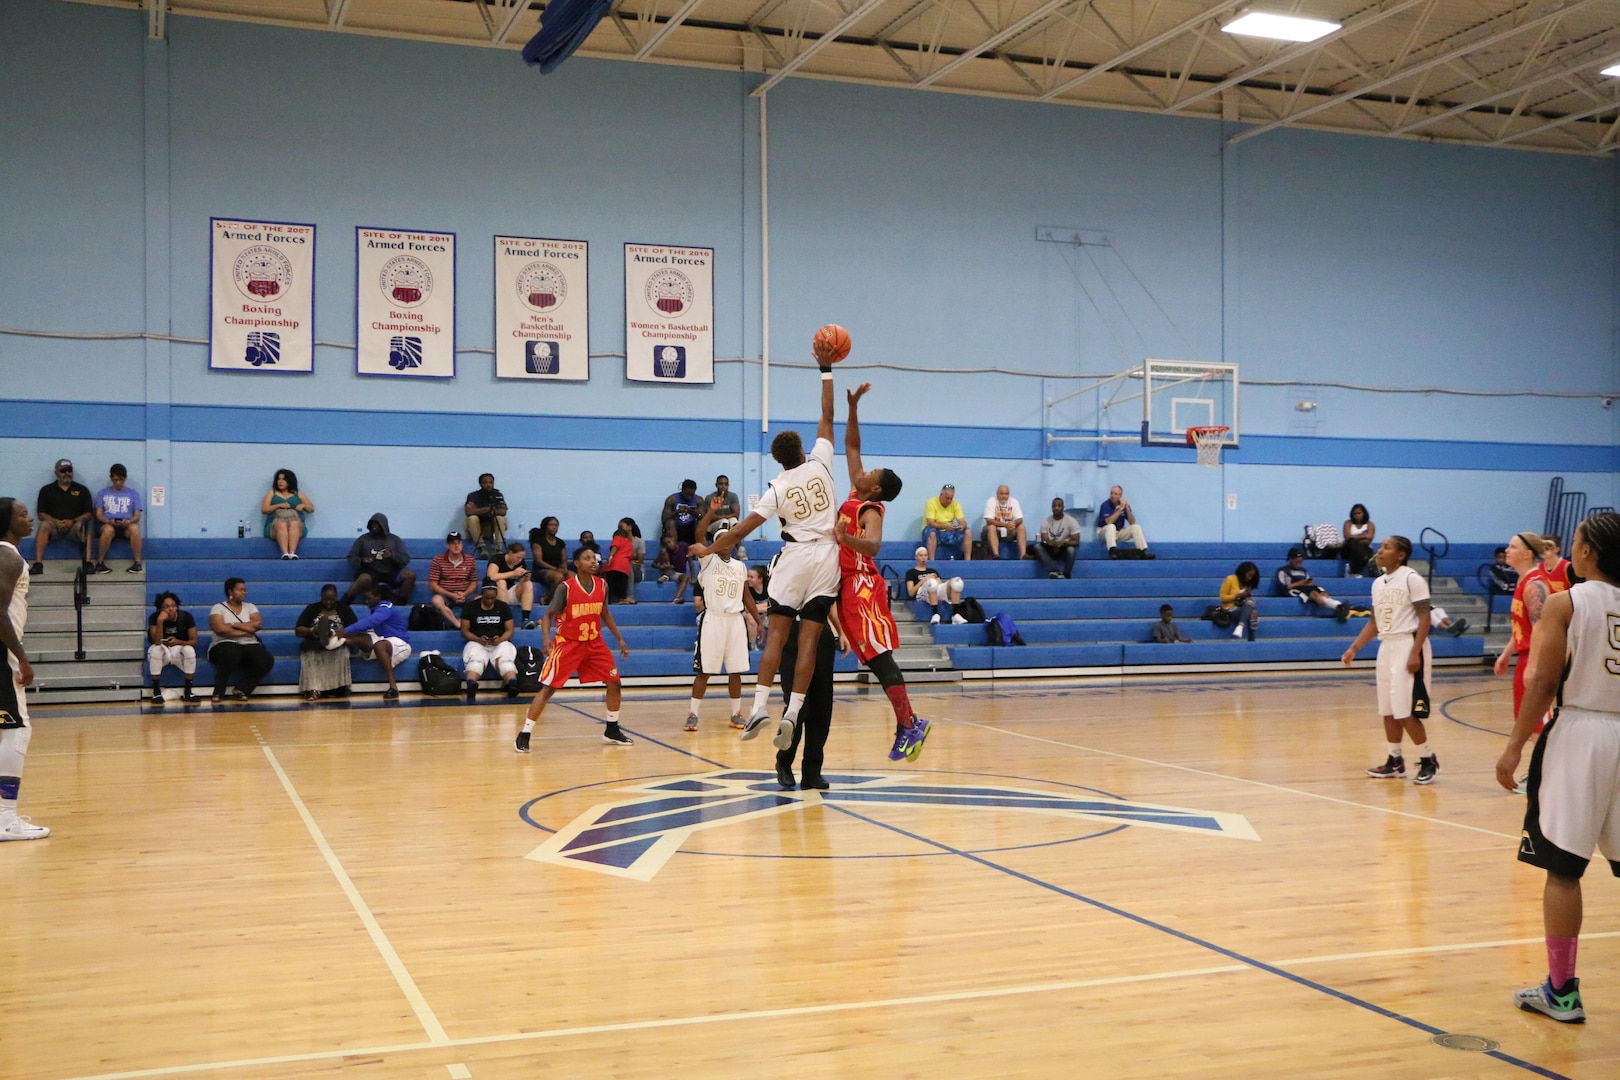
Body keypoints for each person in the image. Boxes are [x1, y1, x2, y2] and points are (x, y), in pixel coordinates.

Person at [1494, 513, 1620, 1025]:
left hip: (1581, 735)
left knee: (1564, 869)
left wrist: (1513, 747)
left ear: (1588, 554)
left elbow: (1544, 681)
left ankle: (1562, 992)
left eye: (1575, 543)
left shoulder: (1568, 603)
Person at [709, 362, 840, 751]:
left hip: (796, 558)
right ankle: (793, 711)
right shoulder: (821, 462)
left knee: (778, 636)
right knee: (811, 641)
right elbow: (828, 415)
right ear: (802, 451)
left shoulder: (777, 487)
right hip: (828, 558)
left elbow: (740, 531)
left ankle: (760, 707)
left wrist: (707, 547)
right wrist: (826, 369)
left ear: (777, 461)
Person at [834, 383, 930, 761]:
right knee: (871, 658)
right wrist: (854, 407)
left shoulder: (869, 510)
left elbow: (873, 547)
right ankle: (908, 722)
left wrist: (845, 538)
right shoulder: (858, 492)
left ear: (873, 487)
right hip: (845, 584)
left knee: (878, 658)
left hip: (861, 585)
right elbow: (852, 447)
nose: (863, 467)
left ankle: (909, 723)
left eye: (870, 471)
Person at [1341, 536, 1439, 785]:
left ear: (1401, 554)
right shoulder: (1377, 584)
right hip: (1387, 646)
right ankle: (1395, 760)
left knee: (1405, 710)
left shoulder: (1412, 578)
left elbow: (1425, 617)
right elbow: (1374, 622)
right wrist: (1354, 648)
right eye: (1381, 546)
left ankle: (1428, 759)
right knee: (1387, 709)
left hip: (1408, 643)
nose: (1379, 550)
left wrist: (1415, 651)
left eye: (1386, 547)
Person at [514, 548, 632, 752]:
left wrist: (619, 638)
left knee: (614, 682)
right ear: (576, 564)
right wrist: (546, 639)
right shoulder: (566, 588)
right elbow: (549, 615)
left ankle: (612, 728)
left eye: (594, 559)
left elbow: (604, 613)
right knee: (548, 688)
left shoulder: (602, 585)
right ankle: (525, 733)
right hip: (569, 643)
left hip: (594, 642)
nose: (593, 562)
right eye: (587, 559)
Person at [684, 499, 761, 731]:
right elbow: (699, 533)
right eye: (722, 539)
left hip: (735, 621)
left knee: (736, 670)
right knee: (704, 671)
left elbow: (746, 596)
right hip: (713, 619)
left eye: (731, 539)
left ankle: (736, 713)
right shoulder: (708, 559)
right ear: (716, 543)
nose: (727, 543)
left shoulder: (740, 567)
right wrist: (712, 512)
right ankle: (693, 714)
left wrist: (757, 620)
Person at [0, 497, 49, 840]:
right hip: (3, 656)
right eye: (22, 514)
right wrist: (22, 656)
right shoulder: (7, 555)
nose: (29, 518)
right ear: (7, 521)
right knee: (16, 731)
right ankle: (5, 818)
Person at [1494, 533, 1565, 719]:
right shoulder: (1522, 580)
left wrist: (1533, 666)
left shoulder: (1535, 584)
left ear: (1527, 554)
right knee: (1526, 722)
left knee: (1538, 723)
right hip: (1525, 655)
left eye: (1513, 547)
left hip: (1537, 658)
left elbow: (1540, 627)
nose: (1507, 550)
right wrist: (1507, 653)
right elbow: (1522, 624)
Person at [774, 613, 837, 791]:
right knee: (798, 707)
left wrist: (841, 632)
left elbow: (830, 604)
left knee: (822, 706)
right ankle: (784, 762)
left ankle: (812, 771)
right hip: (792, 631)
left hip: (821, 633)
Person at [208, 577, 274, 702]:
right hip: (222, 643)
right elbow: (220, 629)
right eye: (240, 590)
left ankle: (242, 689)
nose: (244, 592)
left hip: (249, 643)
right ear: (230, 592)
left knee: (266, 659)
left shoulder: (250, 607)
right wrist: (246, 628)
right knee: (231, 651)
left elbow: (257, 625)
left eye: (245, 590)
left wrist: (234, 624)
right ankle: (219, 691)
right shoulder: (218, 608)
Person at [343, 584, 411, 700]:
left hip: (400, 643)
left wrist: (345, 631)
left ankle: (393, 687)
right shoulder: (376, 609)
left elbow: (370, 622)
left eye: (369, 598)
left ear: (378, 597)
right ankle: (335, 640)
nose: (366, 601)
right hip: (384, 639)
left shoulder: (385, 607)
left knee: (379, 645)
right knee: (358, 638)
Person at [294, 584, 358, 701]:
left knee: (341, 650)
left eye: (331, 600)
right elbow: (298, 630)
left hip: (338, 642)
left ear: (336, 597)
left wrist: (341, 633)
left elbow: (354, 628)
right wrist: (313, 630)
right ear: (321, 597)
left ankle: (337, 687)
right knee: (311, 653)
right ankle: (313, 689)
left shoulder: (344, 609)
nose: (328, 602)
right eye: (325, 599)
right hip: (314, 641)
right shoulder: (312, 609)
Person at [31, 458, 93, 574]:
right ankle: (38, 564)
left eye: (69, 470)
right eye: (63, 471)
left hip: (74, 528)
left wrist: (72, 521)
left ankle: (87, 563)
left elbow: (88, 513)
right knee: (44, 525)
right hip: (54, 528)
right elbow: (41, 514)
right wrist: (55, 522)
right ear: (56, 473)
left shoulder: (82, 490)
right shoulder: (46, 490)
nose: (67, 473)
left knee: (84, 526)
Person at [460, 582, 519, 697]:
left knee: (505, 662)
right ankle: (471, 684)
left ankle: (512, 684)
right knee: (476, 661)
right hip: (477, 641)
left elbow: (510, 630)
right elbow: (464, 630)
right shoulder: (470, 607)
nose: (490, 601)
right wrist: (478, 639)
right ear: (482, 595)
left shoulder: (503, 607)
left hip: (499, 642)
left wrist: (500, 639)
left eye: (493, 598)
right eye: (487, 598)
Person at [344, 514, 414, 604]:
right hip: (371, 571)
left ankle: (400, 603)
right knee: (363, 578)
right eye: (372, 524)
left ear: (383, 525)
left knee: (410, 575)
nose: (374, 527)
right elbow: (351, 557)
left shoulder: (395, 540)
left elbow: (405, 559)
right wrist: (361, 561)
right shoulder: (363, 539)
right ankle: (345, 602)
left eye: (377, 524)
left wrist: (392, 555)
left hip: (391, 571)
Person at [146, 591, 199, 705]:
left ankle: (188, 691)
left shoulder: (185, 617)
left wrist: (178, 642)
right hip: (162, 649)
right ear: (160, 609)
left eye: (173, 606)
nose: (171, 609)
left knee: (189, 650)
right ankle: (156, 692)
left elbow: (194, 641)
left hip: (178, 649)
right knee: (156, 650)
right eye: (166, 607)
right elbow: (156, 641)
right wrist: (160, 621)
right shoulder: (155, 617)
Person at [93, 463, 144, 574]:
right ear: (111, 478)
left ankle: (138, 562)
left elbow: (137, 515)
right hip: (108, 523)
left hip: (126, 524)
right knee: (108, 530)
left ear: (125, 478)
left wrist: (129, 521)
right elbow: (98, 514)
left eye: (121, 480)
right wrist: (108, 521)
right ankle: (100, 562)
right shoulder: (103, 493)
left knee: (135, 529)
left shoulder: (133, 493)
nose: (118, 483)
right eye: (115, 480)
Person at [1276, 546, 1350, 622]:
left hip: (1306, 587)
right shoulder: (1283, 571)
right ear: (1290, 559)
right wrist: (1299, 583)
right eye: (1296, 562)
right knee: (1314, 593)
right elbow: (1281, 588)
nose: (1298, 565)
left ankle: (1338, 606)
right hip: (1293, 589)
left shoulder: (1303, 571)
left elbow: (1309, 581)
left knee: (1321, 592)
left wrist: (1311, 584)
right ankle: (1337, 606)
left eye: (1300, 562)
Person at [427, 531, 481, 630]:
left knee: (480, 600)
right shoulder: (438, 560)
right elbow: (433, 585)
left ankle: (463, 621)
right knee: (436, 601)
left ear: (462, 544)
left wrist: (464, 594)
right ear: (448, 545)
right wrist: (451, 595)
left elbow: (474, 582)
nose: (456, 546)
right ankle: (457, 623)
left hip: (465, 593)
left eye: (459, 543)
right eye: (453, 543)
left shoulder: (470, 560)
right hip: (446, 594)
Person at [664, 480, 703, 604]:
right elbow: (664, 519)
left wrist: (694, 512)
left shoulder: (698, 500)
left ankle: (699, 551)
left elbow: (704, 517)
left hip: (690, 530)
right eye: (687, 494)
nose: (689, 496)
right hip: (677, 528)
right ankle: (674, 550)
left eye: (691, 494)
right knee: (670, 523)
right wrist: (677, 512)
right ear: (682, 490)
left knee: (699, 523)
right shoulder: (672, 499)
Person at [260, 468, 313, 560]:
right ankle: (285, 553)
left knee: (294, 523)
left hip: (295, 523)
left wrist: (303, 506)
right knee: (281, 524)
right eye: (279, 479)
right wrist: (279, 505)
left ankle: (292, 553)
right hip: (275, 525)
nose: (280, 482)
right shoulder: (272, 493)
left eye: (283, 479)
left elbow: (311, 508)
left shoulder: (298, 494)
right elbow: (264, 509)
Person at [907, 547, 968, 626]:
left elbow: (940, 585)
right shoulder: (911, 572)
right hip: (921, 593)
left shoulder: (932, 571)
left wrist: (935, 579)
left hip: (934, 589)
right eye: (921, 555)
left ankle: (955, 614)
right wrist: (924, 580)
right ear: (916, 557)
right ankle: (935, 613)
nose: (923, 558)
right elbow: (911, 592)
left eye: (925, 555)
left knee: (957, 582)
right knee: (931, 583)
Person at [487, 541, 537, 627]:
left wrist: (525, 578)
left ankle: (525, 619)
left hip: (511, 591)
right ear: (510, 553)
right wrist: (512, 573)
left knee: (528, 584)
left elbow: (521, 581)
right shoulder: (497, 559)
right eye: (517, 557)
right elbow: (490, 577)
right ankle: (505, 618)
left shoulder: (520, 563)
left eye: (521, 558)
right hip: (495, 592)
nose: (519, 560)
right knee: (501, 582)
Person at [1096, 485, 1152, 559]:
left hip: (1118, 532)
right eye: (1111, 493)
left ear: (1120, 496)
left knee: (1136, 527)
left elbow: (1132, 522)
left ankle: (1142, 552)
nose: (1112, 496)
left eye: (1115, 494)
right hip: (1103, 533)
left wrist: (1127, 510)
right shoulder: (1105, 505)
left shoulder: (1123, 505)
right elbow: (1109, 521)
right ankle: (1112, 552)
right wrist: (1119, 510)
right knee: (1111, 526)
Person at [463, 473, 508, 559]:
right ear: (480, 484)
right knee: (472, 518)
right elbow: (469, 512)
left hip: (491, 529)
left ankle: (498, 549)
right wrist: (490, 508)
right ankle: (482, 548)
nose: (488, 485)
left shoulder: (497, 495)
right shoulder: (473, 496)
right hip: (476, 529)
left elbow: (503, 511)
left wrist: (477, 510)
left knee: (500, 518)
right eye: (485, 482)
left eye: (491, 482)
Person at [922, 484, 970, 562]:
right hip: (935, 529)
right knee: (932, 533)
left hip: (949, 530)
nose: (949, 501)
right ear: (941, 495)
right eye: (947, 498)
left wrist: (962, 526)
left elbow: (962, 521)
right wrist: (944, 526)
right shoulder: (931, 502)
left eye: (951, 498)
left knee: (968, 532)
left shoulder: (955, 504)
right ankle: (932, 561)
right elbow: (930, 522)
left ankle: (967, 561)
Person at [1035, 497, 1080, 579]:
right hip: (1051, 549)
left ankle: (1067, 574)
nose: (1056, 508)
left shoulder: (1071, 521)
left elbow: (1076, 541)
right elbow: (1044, 539)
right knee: (1037, 547)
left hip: (1064, 549)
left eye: (1059, 506)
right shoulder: (1046, 521)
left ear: (1063, 507)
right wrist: (1052, 543)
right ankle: (1055, 571)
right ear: (1051, 507)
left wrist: (1063, 543)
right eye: (1054, 506)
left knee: (1071, 550)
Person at [528, 517, 569, 602]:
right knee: (558, 577)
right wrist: (555, 569)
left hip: (558, 569)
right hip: (540, 571)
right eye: (551, 525)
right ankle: (548, 600)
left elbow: (564, 559)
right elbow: (538, 561)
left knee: (573, 577)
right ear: (545, 526)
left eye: (556, 525)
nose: (554, 527)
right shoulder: (538, 541)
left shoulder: (560, 542)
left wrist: (564, 568)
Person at [982, 485, 1027, 560]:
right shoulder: (991, 501)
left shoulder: (1014, 502)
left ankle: (1023, 556)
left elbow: (1020, 519)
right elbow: (989, 520)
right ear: (997, 494)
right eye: (1001, 494)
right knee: (991, 527)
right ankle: (996, 555)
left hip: (1009, 530)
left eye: (1006, 494)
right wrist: (1005, 525)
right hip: (992, 531)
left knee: (1021, 527)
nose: (1004, 496)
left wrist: (1013, 524)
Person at [1219, 562, 1261, 641]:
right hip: (1229, 609)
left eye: (1252, 576)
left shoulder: (1247, 584)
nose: (1250, 578)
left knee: (1253, 611)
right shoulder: (1230, 579)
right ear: (1243, 573)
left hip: (1243, 608)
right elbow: (1222, 598)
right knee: (1252, 609)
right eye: (1249, 575)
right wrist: (1237, 596)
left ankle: (1241, 628)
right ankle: (1250, 637)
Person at [604, 522, 635, 604]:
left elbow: (615, 546)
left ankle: (608, 600)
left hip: (614, 564)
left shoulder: (618, 538)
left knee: (611, 583)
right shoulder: (629, 543)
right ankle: (622, 598)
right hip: (625, 566)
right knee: (622, 584)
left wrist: (611, 556)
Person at [1342, 504, 1376, 576]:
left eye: (1359, 513)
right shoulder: (1348, 523)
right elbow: (1348, 537)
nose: (1357, 515)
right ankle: (1364, 557)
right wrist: (1363, 537)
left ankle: (1355, 572)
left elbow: (1369, 537)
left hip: (1365, 548)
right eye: (1355, 514)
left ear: (1364, 513)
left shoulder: (1370, 524)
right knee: (1352, 542)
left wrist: (1354, 537)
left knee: (1357, 546)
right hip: (1348, 550)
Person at [706, 475, 741, 542]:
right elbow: (710, 517)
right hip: (713, 527)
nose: (723, 486)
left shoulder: (733, 496)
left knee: (734, 521)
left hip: (729, 524)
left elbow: (736, 515)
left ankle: (739, 548)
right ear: (716, 485)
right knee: (724, 521)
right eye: (721, 484)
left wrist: (720, 517)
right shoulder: (710, 498)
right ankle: (720, 547)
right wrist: (725, 518)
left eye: (726, 484)